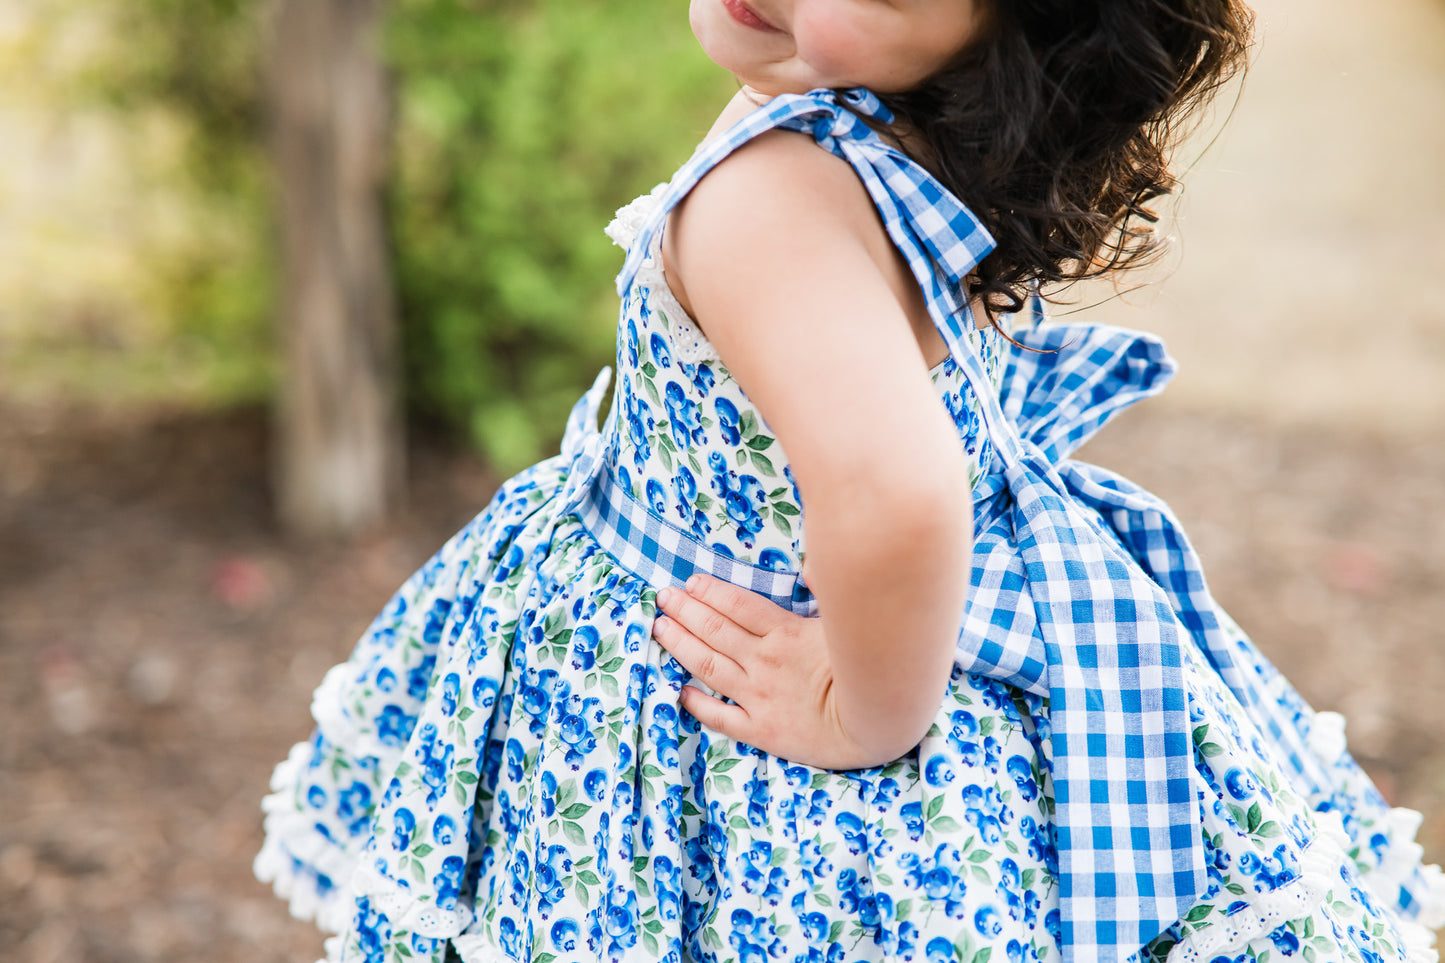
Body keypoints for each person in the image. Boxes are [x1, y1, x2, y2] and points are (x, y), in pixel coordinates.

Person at [255, 1, 1445, 961]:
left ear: (1005, 44)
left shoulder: (772, 197)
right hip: (924, 611)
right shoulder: (894, 129)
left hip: (740, 661)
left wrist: (862, 711)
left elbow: (895, 491)